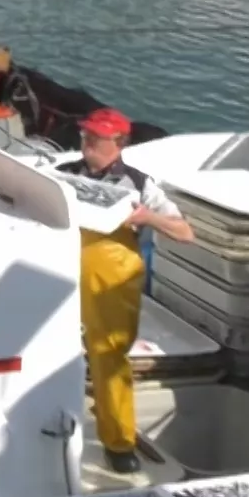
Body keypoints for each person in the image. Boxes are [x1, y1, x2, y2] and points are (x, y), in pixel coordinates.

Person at [52, 107, 195, 475]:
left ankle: (117, 442)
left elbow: (185, 232)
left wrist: (149, 218)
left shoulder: (141, 184)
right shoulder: (63, 175)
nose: (86, 142)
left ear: (119, 143)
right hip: (59, 269)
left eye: (95, 137)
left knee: (109, 357)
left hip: (111, 279)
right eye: (85, 135)